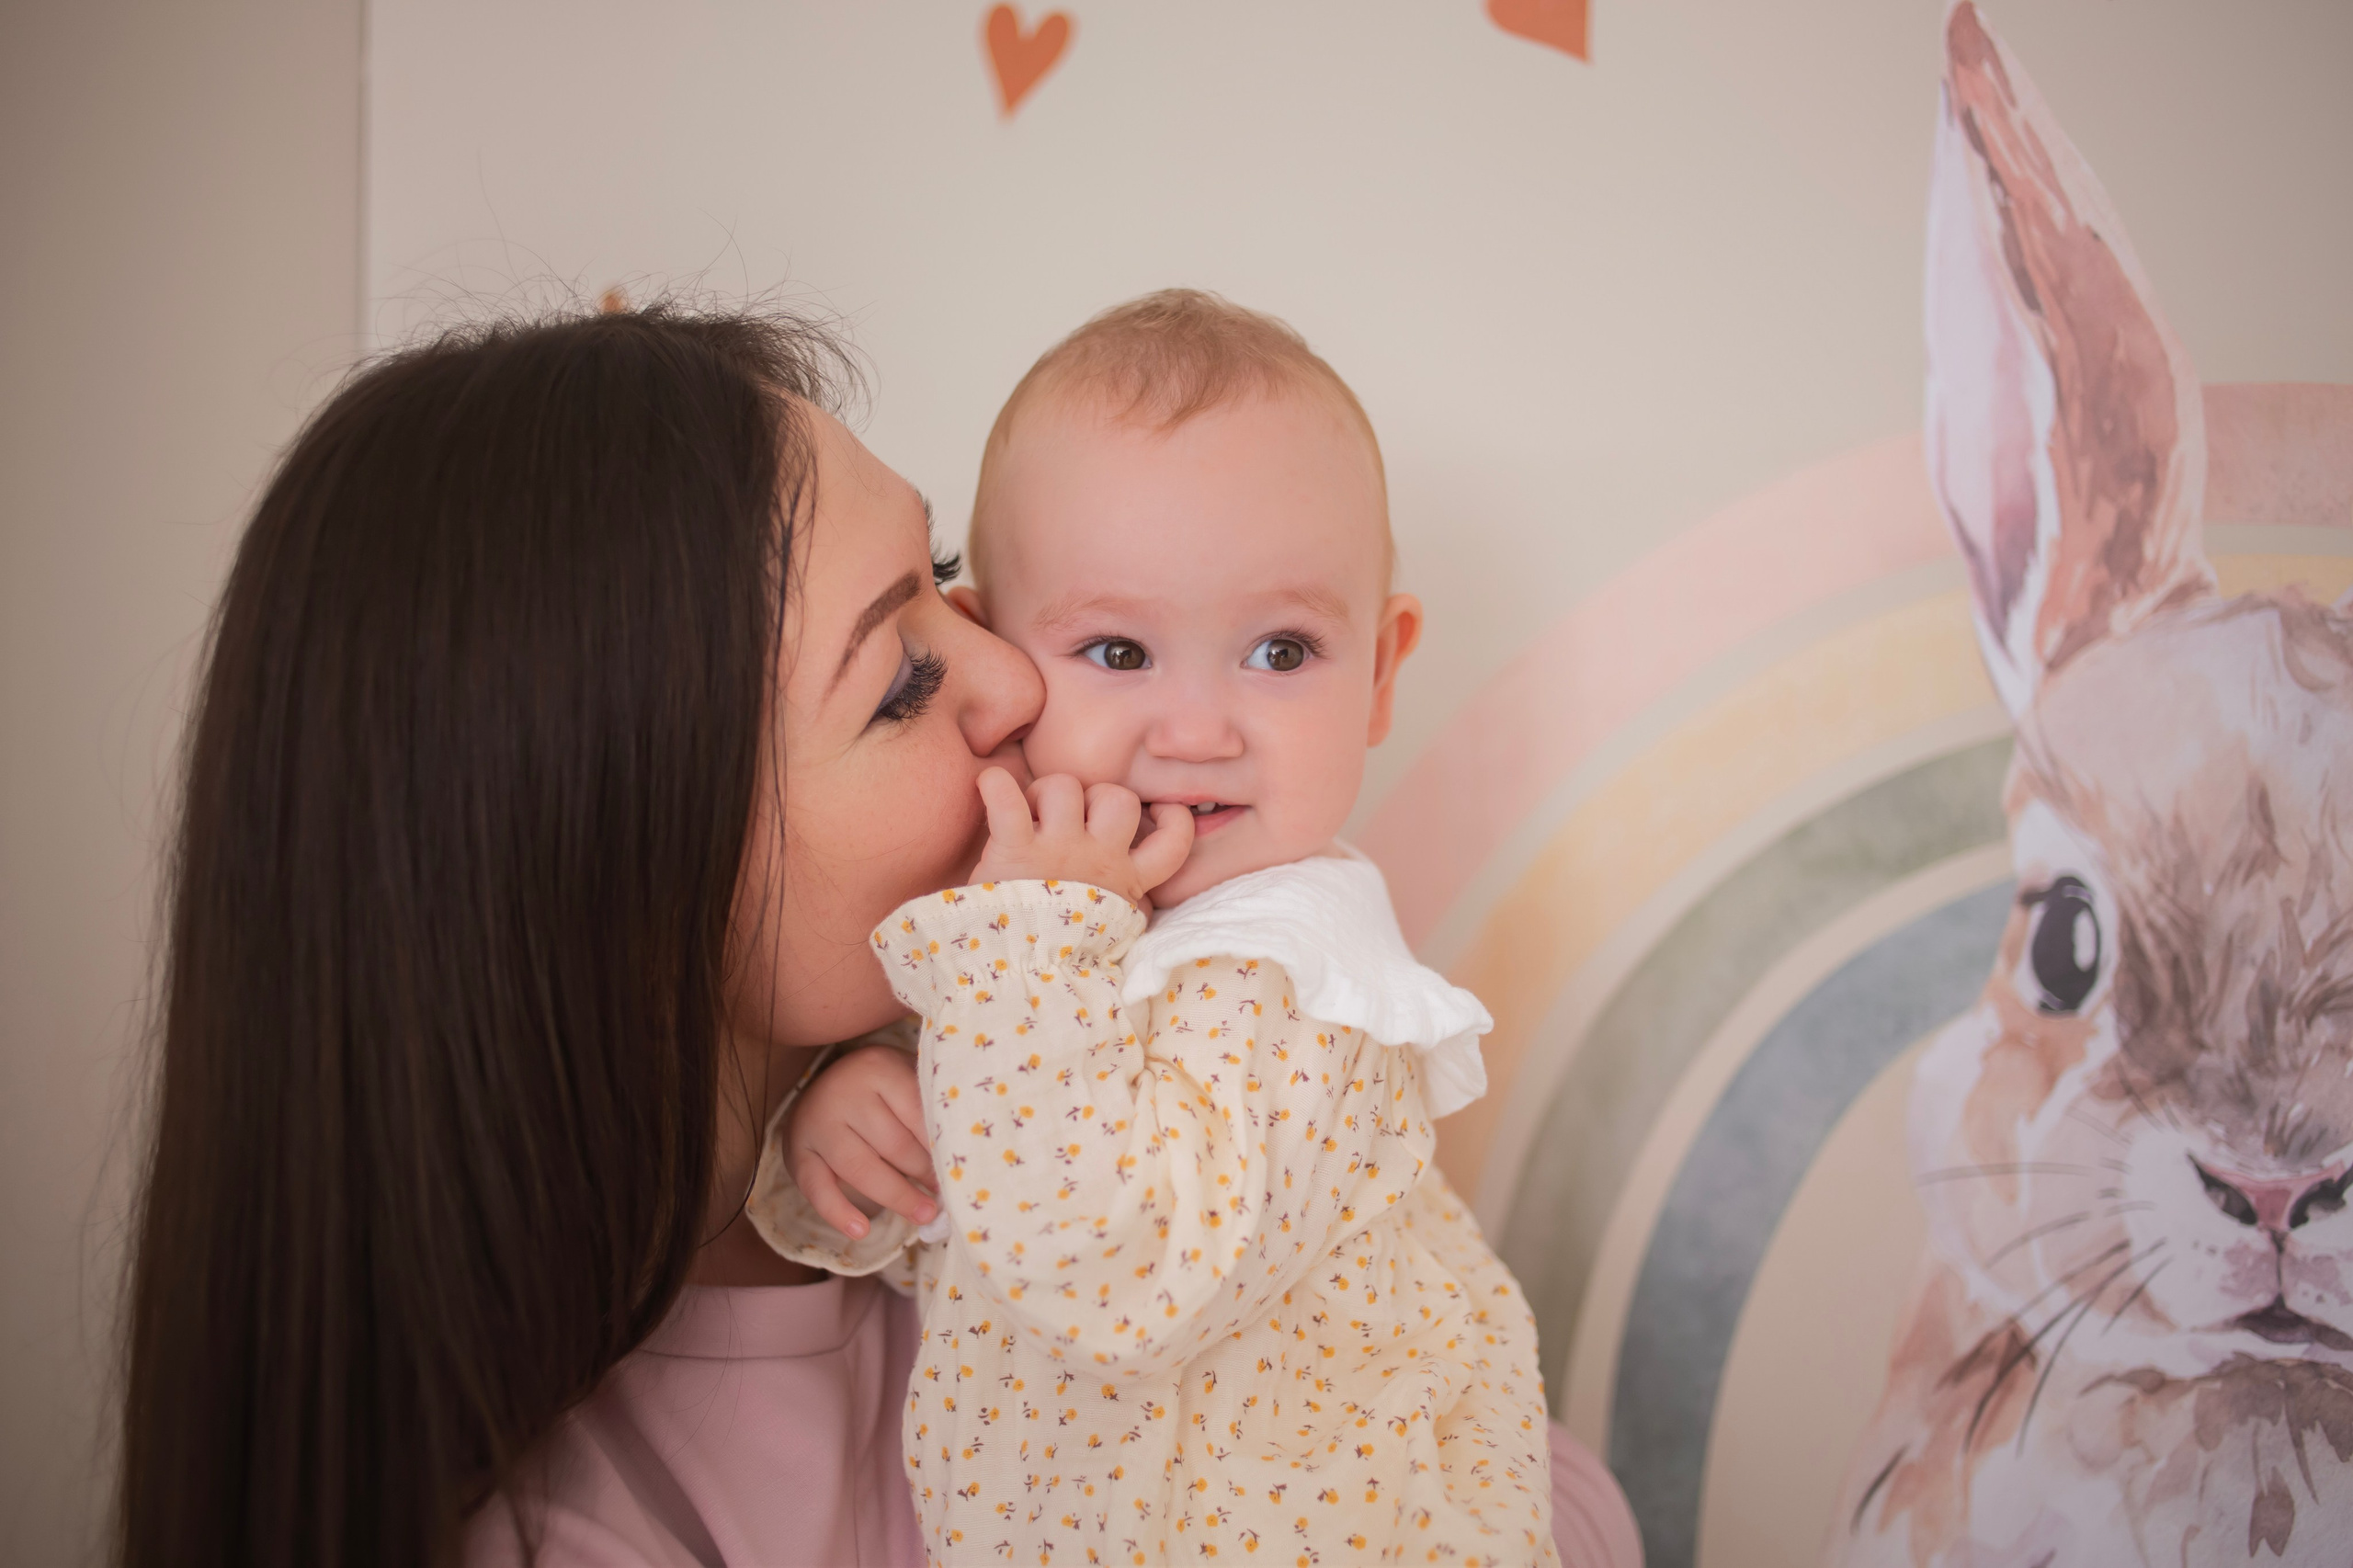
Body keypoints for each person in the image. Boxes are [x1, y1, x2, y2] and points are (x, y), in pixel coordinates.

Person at [114, 303, 1043, 1567]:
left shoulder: (1017, 1172)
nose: (1021, 680)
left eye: (940, 580)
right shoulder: (566, 1533)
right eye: (900, 683)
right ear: (631, 885)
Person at [765, 291, 1641, 1566]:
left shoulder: (1294, 980)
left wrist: (1024, 935)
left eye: (1281, 650)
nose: (1198, 729)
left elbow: (1111, 1261)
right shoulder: (1064, 935)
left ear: (1384, 672)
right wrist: (859, 1121)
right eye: (1118, 648)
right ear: (998, 650)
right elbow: (992, 1193)